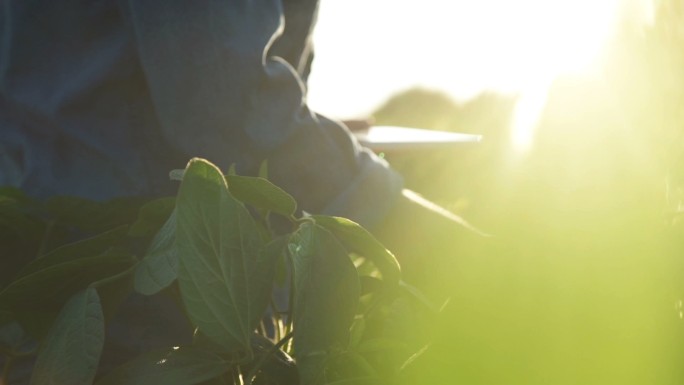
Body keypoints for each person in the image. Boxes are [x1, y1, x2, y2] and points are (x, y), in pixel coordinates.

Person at [0, 0, 482, 381]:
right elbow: (223, 110)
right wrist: (445, 246)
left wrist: (307, 129)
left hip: (56, 283)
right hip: (148, 322)